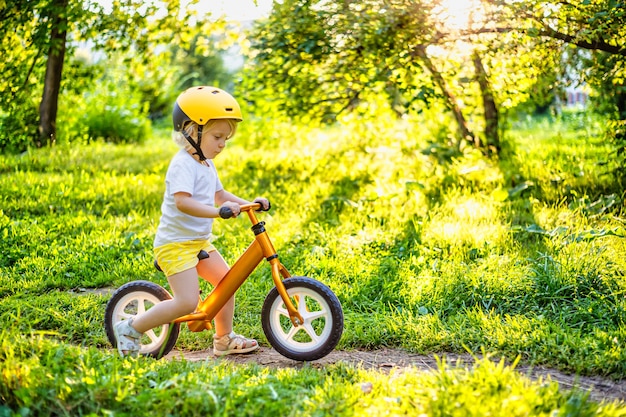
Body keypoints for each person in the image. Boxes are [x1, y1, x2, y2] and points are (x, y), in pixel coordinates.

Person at [114, 86, 269, 358]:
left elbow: (220, 195)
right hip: (174, 245)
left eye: (226, 138)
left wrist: (248, 203)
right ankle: (130, 327)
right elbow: (183, 202)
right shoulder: (182, 164)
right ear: (191, 131)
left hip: (197, 242)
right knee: (186, 302)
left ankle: (224, 339)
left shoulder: (207, 163)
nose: (222, 144)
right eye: (217, 136)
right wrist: (217, 213)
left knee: (226, 283)